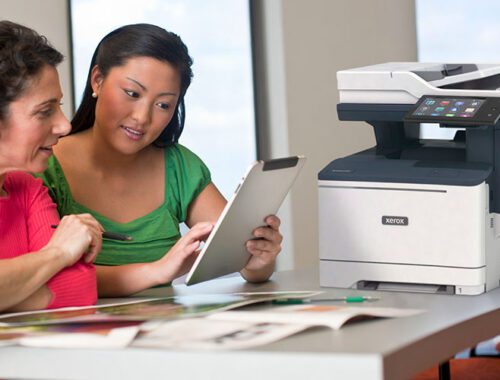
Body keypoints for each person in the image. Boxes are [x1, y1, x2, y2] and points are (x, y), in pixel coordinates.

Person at [40, 23, 283, 297]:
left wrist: (261, 259)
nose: (142, 118)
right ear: (97, 80)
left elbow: (244, 260)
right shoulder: (43, 164)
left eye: (163, 105)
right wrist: (159, 269)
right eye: (132, 94)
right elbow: (46, 277)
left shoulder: (179, 167)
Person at [0, 21, 103, 312]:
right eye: (45, 111)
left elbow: (80, 287)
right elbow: (61, 283)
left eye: (58, 106)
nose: (64, 125)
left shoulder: (29, 191)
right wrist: (57, 252)